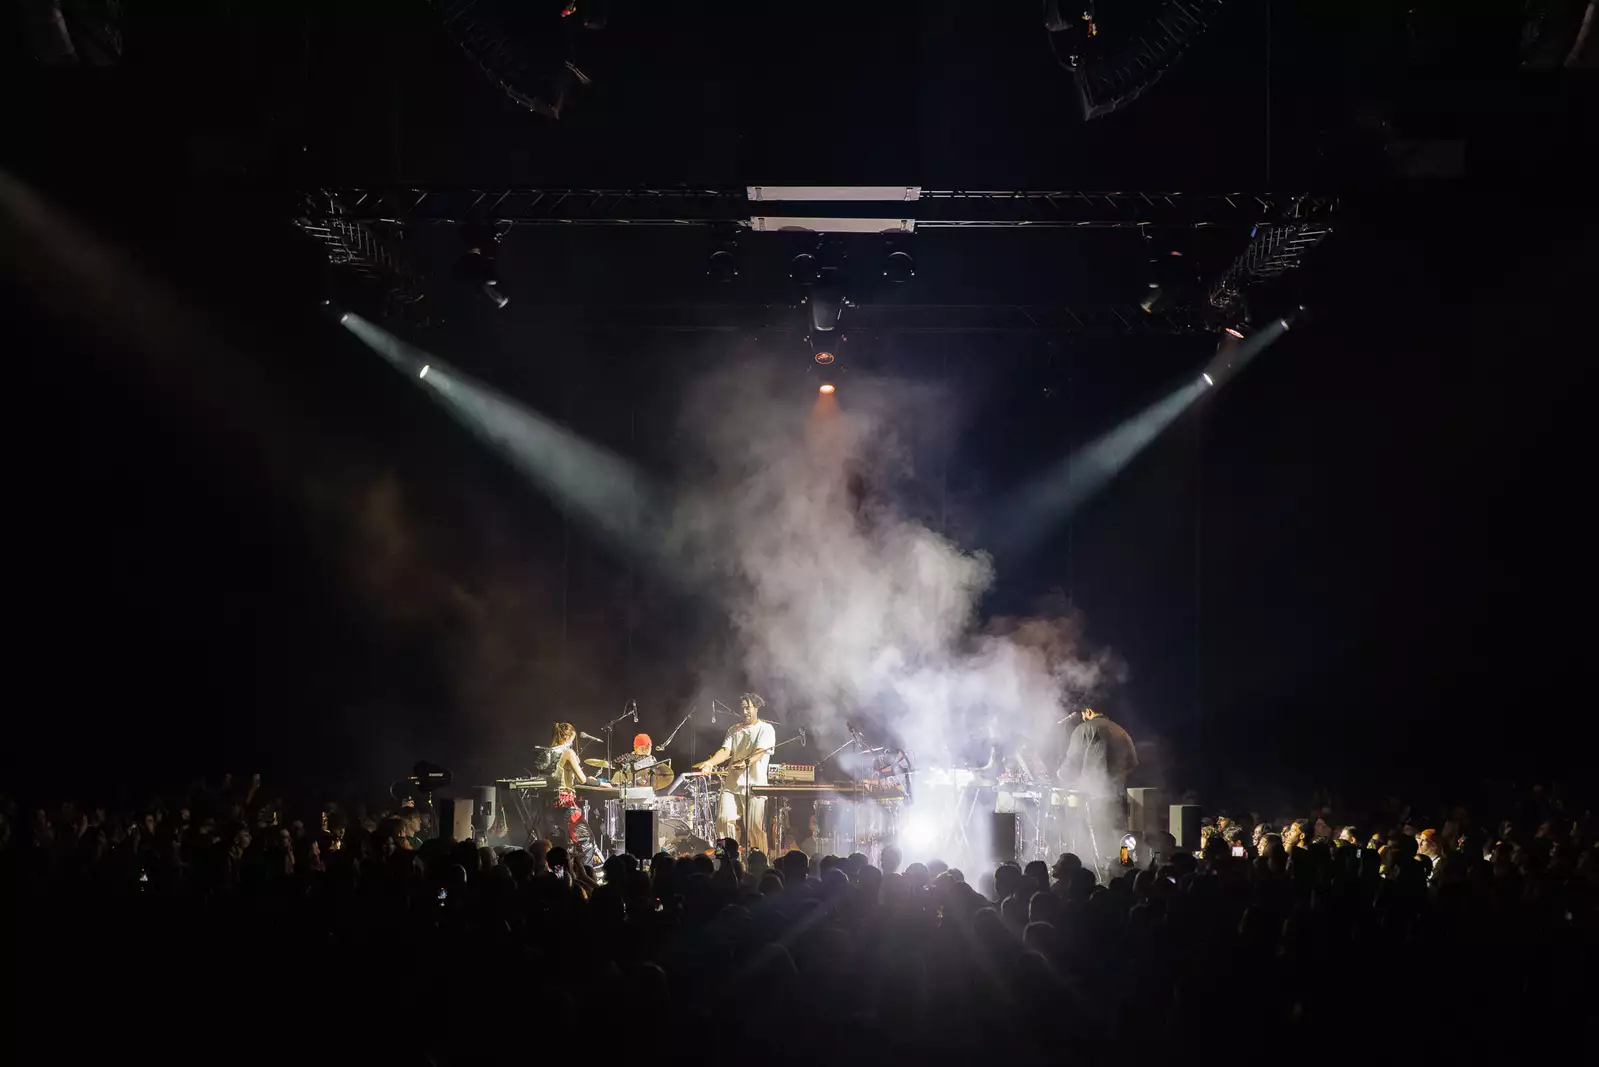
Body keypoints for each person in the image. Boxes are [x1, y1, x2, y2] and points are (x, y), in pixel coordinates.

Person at [1059, 706, 1138, 873]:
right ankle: (1123, 871)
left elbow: (1072, 763)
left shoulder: (1084, 729)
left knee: (1093, 840)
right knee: (1119, 837)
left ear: (1088, 712)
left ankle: (1096, 874)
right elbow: (1132, 763)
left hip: (1092, 797)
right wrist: (1116, 775)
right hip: (1117, 795)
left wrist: (1059, 775)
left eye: (1083, 714)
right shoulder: (1121, 731)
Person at [695, 693, 775, 852]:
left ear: (756, 708)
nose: (744, 712)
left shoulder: (766, 729)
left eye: (748, 708)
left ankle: (760, 861)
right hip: (732, 785)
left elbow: (760, 752)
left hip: (755, 786)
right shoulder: (733, 730)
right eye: (742, 708)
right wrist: (710, 763)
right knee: (723, 820)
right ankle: (725, 858)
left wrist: (746, 763)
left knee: (754, 827)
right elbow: (725, 751)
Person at [548, 722, 597, 865]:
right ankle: (584, 874)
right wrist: (598, 782)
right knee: (587, 841)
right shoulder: (568, 752)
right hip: (566, 804)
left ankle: (565, 873)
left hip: (551, 805)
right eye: (572, 740)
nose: (572, 743)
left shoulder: (550, 752)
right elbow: (582, 779)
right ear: (566, 737)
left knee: (562, 846)